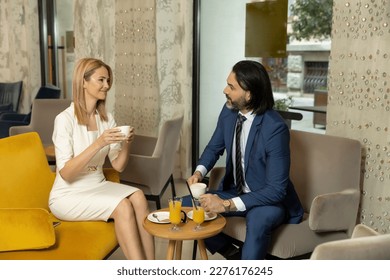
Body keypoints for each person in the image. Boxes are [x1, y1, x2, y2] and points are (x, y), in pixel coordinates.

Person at [187, 60, 304, 260]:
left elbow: (276, 190)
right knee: (186, 206)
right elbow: (214, 147)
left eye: (231, 87)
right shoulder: (229, 111)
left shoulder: (274, 128)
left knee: (257, 219)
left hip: (268, 200)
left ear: (249, 94)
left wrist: (225, 205)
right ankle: (232, 254)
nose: (225, 90)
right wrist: (199, 172)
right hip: (235, 190)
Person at [49, 57, 155, 260]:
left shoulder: (107, 119)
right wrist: (99, 143)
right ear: (83, 81)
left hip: (97, 184)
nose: (107, 86)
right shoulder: (64, 120)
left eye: (108, 81)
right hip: (67, 194)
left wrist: (127, 143)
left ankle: (153, 268)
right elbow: (67, 174)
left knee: (139, 197)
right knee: (123, 206)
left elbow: (118, 166)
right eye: (101, 80)